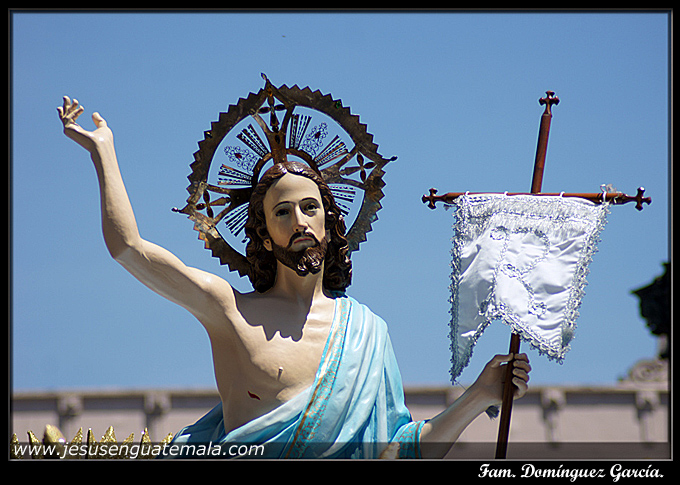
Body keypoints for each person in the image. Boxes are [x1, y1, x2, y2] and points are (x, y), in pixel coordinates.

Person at [57, 96, 531, 458]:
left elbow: (397, 452)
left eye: (310, 208)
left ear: (330, 222)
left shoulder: (366, 334)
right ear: (264, 237)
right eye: (282, 212)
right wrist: (104, 152)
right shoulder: (231, 311)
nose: (300, 221)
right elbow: (129, 249)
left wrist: (479, 395)